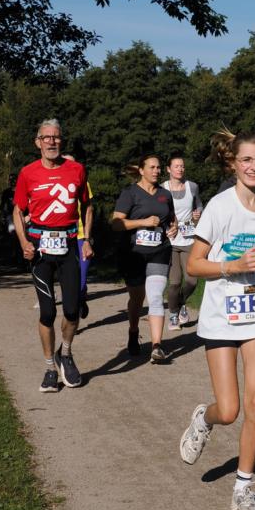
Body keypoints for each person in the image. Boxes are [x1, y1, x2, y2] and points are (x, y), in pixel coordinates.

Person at [178, 129, 255, 510]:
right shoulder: (219, 206)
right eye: (246, 160)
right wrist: (230, 266)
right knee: (229, 410)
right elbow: (194, 264)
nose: (254, 166)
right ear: (234, 163)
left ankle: (243, 489)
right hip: (220, 317)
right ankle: (203, 419)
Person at [13, 120, 90, 393]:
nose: (51, 142)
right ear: (38, 142)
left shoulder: (77, 170)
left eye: (56, 137)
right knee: (47, 312)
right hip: (40, 248)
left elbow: (87, 205)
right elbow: (17, 211)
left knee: (71, 310)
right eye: (46, 137)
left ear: (61, 141)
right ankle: (49, 368)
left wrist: (86, 239)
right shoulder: (27, 173)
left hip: (69, 246)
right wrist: (23, 241)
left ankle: (65, 354)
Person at [112, 155, 177, 363]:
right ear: (141, 170)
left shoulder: (165, 194)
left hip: (160, 250)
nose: (157, 171)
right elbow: (116, 224)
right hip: (134, 254)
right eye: (152, 167)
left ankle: (157, 346)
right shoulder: (130, 193)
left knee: (156, 296)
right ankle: (133, 330)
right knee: (137, 298)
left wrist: (172, 228)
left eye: (159, 167)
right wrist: (143, 222)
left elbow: (170, 219)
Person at [162, 152, 203, 330]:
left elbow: (199, 205)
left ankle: (181, 303)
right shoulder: (162, 188)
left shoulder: (192, 186)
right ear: (169, 169)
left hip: (189, 239)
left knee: (192, 281)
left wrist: (198, 213)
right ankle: (173, 314)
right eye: (176, 166)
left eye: (182, 166)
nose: (180, 169)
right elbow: (155, 211)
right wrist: (165, 228)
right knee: (175, 282)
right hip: (169, 241)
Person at [62, 154, 95, 319]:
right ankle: (72, 315)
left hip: (82, 237)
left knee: (80, 280)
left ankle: (81, 299)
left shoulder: (83, 183)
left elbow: (89, 210)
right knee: (68, 281)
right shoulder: (54, 184)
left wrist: (87, 239)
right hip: (63, 238)